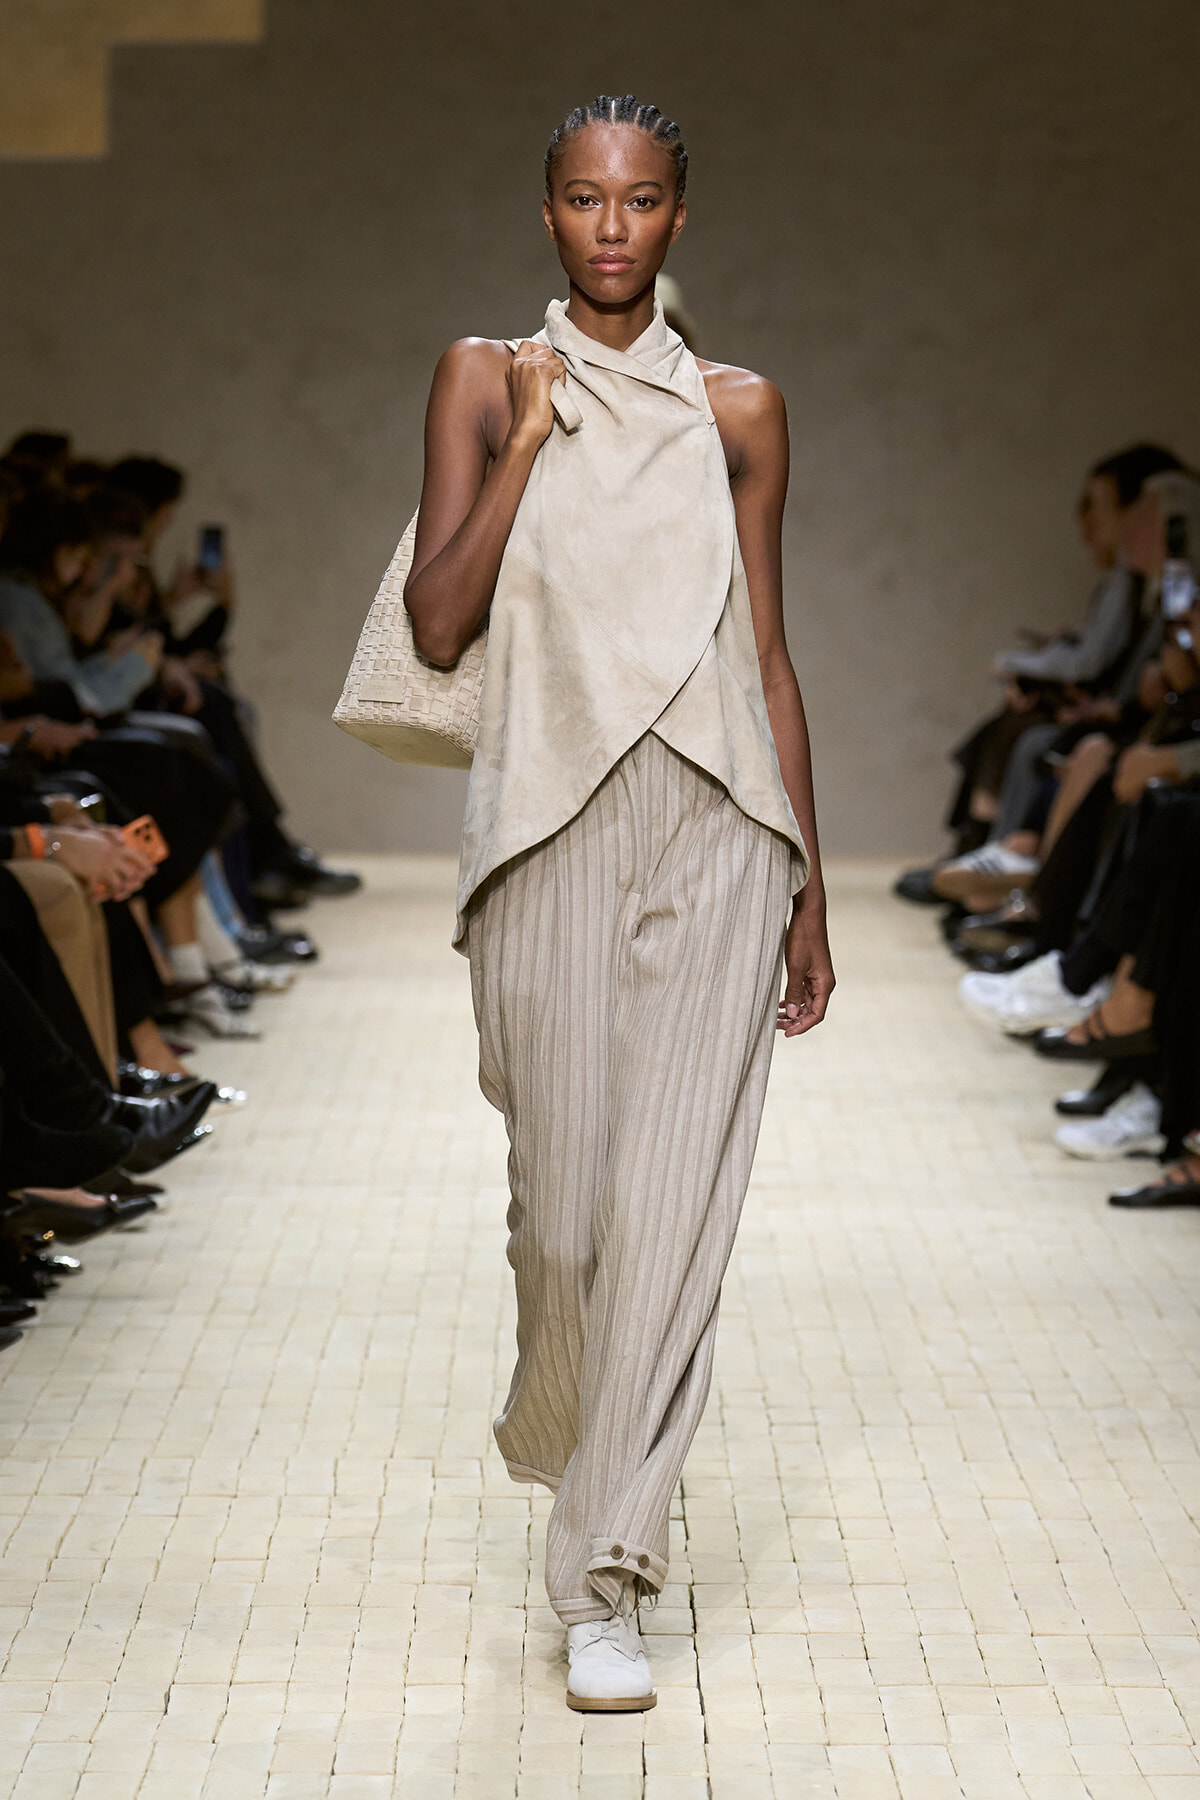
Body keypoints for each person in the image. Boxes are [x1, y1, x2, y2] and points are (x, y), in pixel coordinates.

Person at [401, 94, 833, 1711]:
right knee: (565, 1222)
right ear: (546, 215)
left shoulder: (743, 411)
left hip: (723, 831)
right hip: (546, 831)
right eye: (584, 201)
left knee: (669, 1223)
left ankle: (608, 1572)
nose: (610, 229)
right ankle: (578, 1464)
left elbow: (769, 653)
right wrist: (526, 438)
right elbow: (442, 622)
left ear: (676, 217)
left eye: (639, 202)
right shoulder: (479, 376)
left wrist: (806, 881)